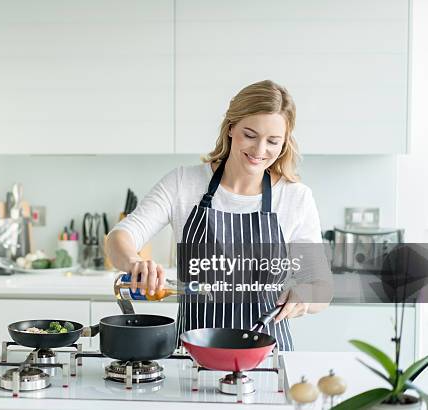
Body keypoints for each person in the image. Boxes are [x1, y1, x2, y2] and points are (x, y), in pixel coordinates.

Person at [105, 80, 332, 350]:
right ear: (231, 128)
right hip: (192, 358)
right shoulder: (183, 183)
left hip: (268, 360)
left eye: (273, 141)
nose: (260, 151)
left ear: (284, 143)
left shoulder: (295, 197)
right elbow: (119, 237)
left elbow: (322, 287)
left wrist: (305, 296)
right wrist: (134, 263)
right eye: (250, 135)